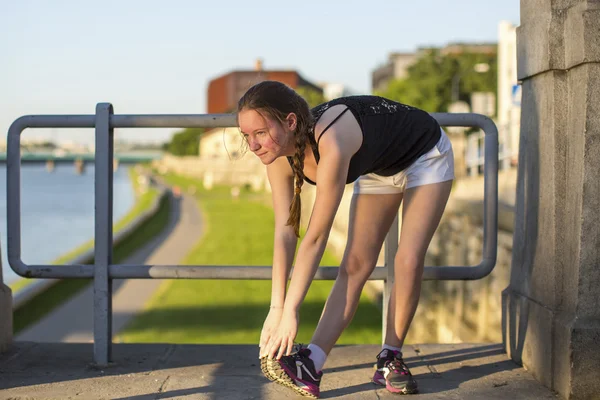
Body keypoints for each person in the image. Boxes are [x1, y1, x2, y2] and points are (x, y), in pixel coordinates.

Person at [237, 81, 454, 398]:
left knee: (406, 259)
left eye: (260, 133)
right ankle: (312, 363)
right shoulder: (277, 159)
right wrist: (276, 306)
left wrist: (292, 310)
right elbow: (287, 230)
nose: (253, 145)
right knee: (355, 263)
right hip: (380, 167)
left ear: (291, 122)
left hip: (425, 153)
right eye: (246, 136)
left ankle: (390, 358)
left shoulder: (332, 141)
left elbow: (317, 235)